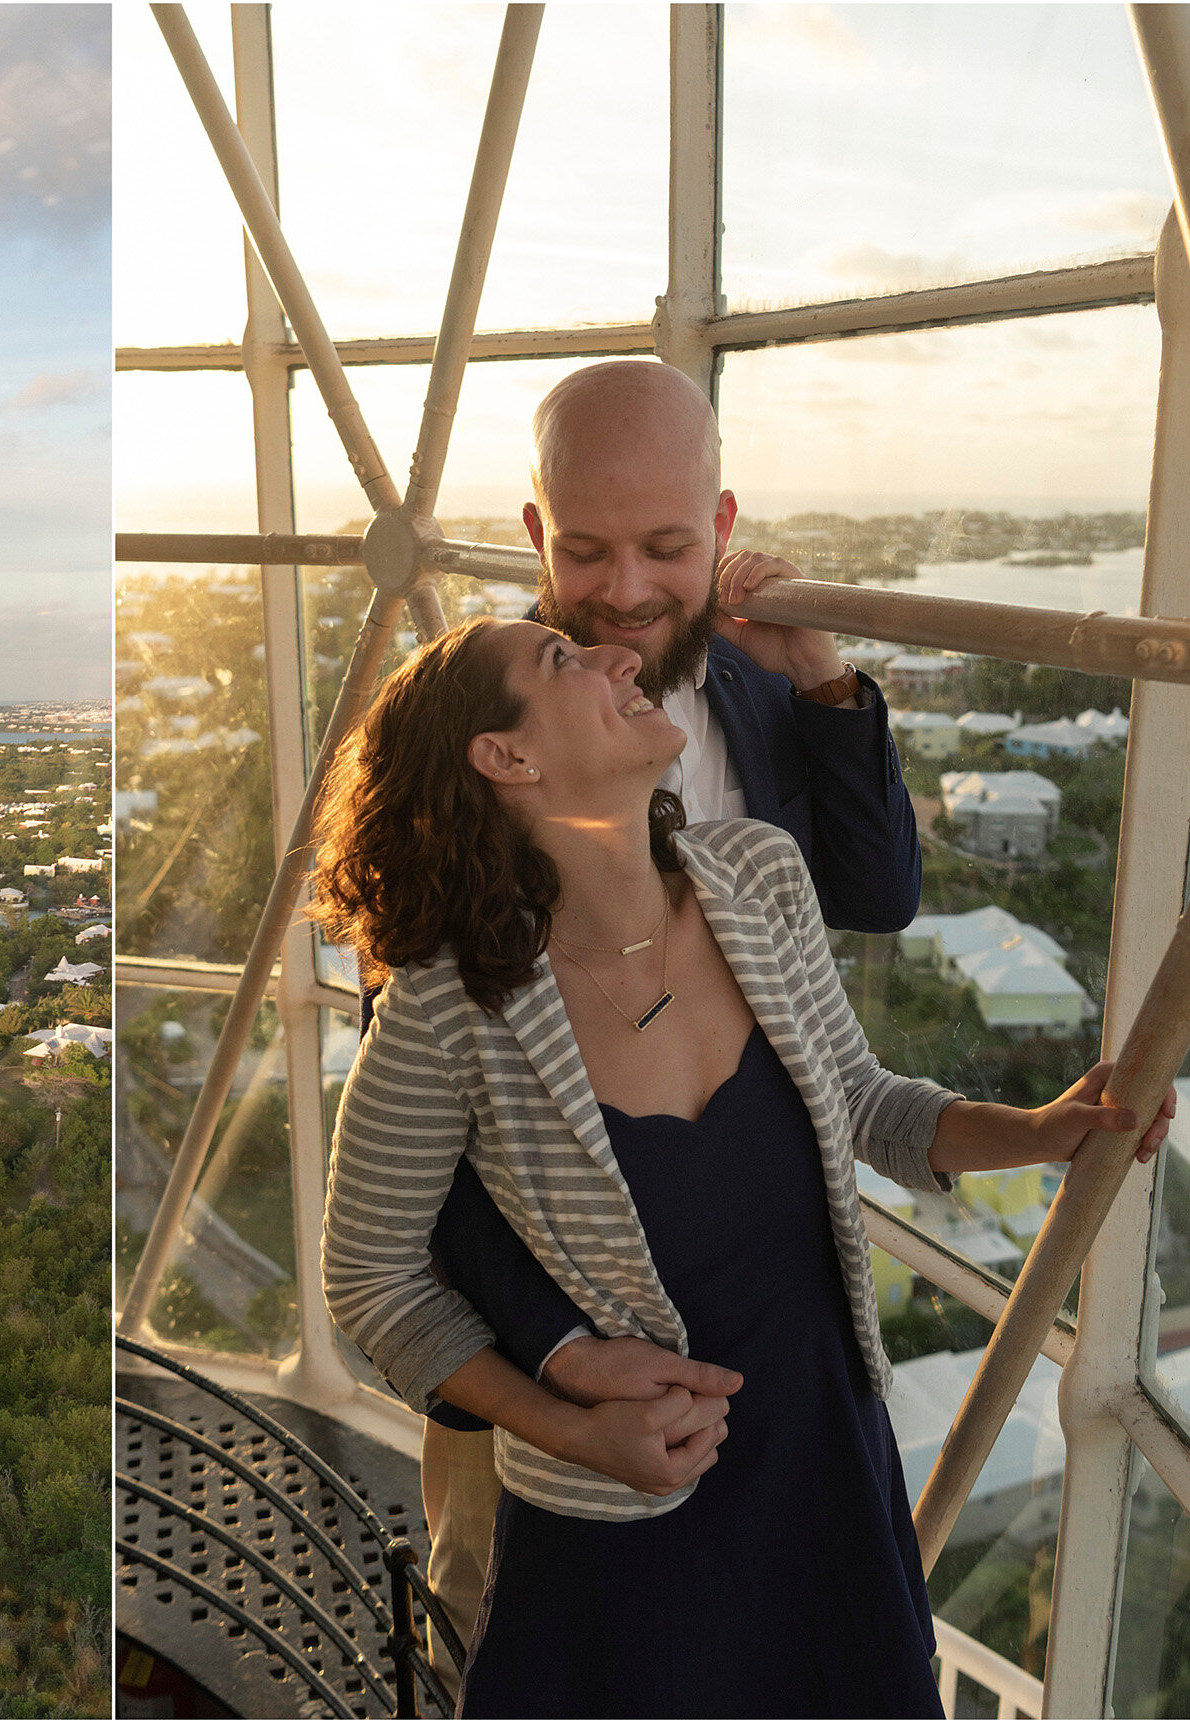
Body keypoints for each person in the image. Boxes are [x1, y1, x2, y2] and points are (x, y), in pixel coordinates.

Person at [315, 618, 1172, 1718]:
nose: (619, 658)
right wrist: (570, 1428)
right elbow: (369, 1276)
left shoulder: (757, 876)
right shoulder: (446, 1008)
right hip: (619, 1524)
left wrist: (1037, 1128)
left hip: (819, 1460)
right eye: (562, 662)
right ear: (505, 758)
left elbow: (863, 1101)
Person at [415, 359, 926, 1674]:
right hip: (556, 1395)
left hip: (771, 1347)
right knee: (517, 1638)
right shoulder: (476, 734)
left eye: (666, 546)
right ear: (534, 532)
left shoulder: (756, 696)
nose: (628, 591)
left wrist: (819, 683)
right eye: (584, 550)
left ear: (723, 528)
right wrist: (568, 1369)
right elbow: (441, 1142)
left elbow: (877, 891)